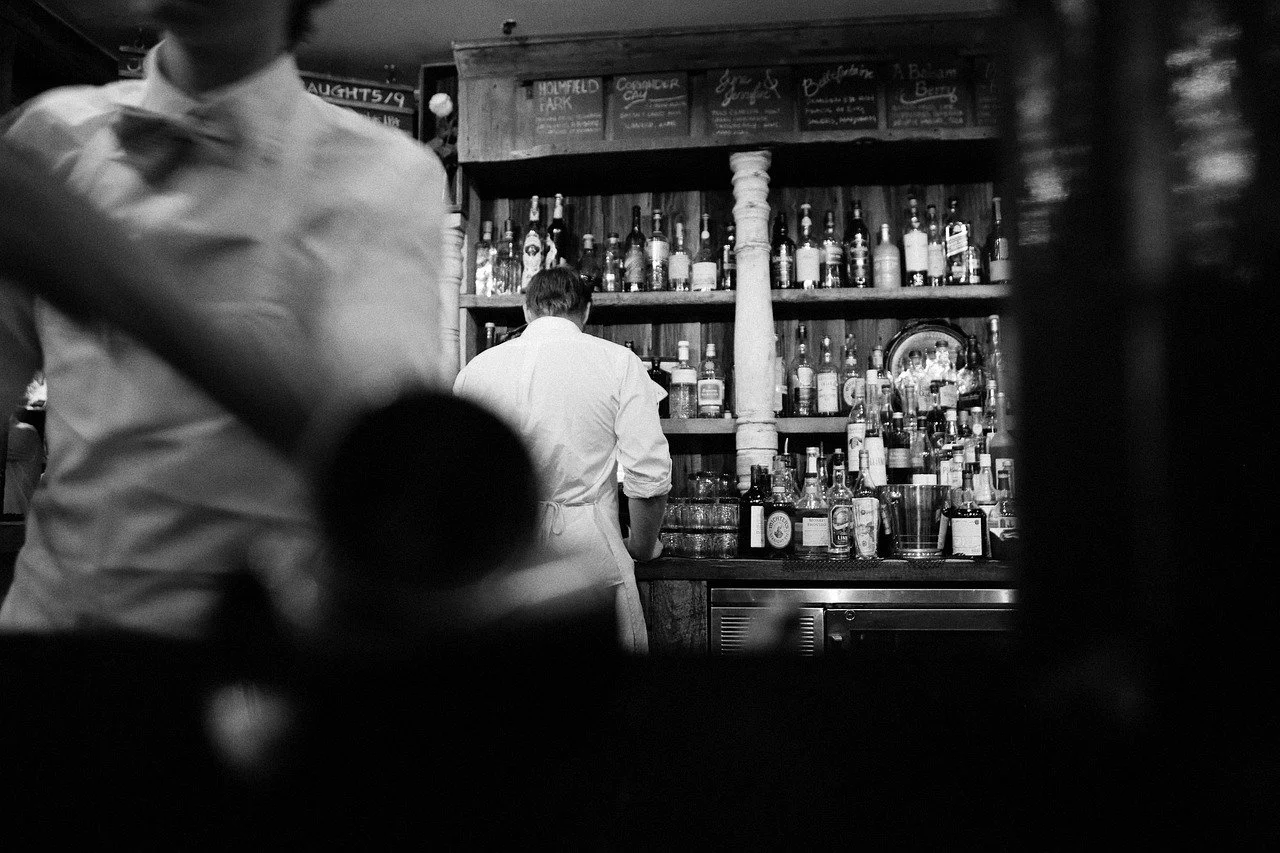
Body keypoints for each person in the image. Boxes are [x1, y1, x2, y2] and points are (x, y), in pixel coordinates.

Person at [0, 0, 449, 637]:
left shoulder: (384, 174)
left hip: (264, 656)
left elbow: (383, 468)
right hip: (54, 641)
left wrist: (115, 277)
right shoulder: (53, 137)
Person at [453, 266, 670, 653]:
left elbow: (457, 478)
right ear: (585, 312)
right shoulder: (618, 363)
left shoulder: (477, 370)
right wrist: (640, 547)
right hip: (592, 555)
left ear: (526, 310)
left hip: (503, 559)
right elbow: (648, 476)